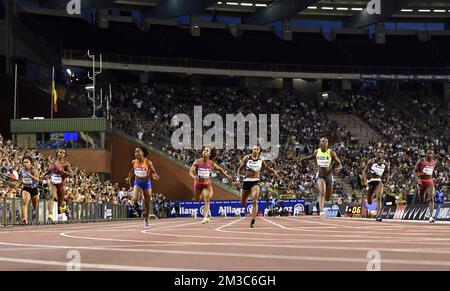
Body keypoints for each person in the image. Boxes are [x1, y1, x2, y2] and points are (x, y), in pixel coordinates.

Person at [236, 145, 280, 228]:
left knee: (255, 200)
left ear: (259, 151)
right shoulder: (247, 158)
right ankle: (243, 192)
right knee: (243, 203)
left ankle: (253, 220)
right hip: (246, 181)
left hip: (255, 181)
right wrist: (238, 179)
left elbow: (266, 168)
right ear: (252, 150)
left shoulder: (261, 159)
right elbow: (239, 169)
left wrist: (274, 172)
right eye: (254, 149)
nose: (255, 150)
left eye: (257, 149)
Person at [300, 137, 342, 219]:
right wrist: (305, 159)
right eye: (323, 141)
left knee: (327, 197)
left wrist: (338, 168)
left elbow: (339, 163)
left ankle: (319, 202)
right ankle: (322, 211)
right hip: (320, 175)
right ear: (320, 143)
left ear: (328, 143)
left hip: (329, 176)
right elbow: (312, 156)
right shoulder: (317, 151)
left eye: (326, 141)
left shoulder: (331, 153)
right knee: (322, 192)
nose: (325, 142)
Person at [190, 146, 232, 224]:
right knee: (197, 200)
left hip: (206, 184)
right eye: (204, 150)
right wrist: (194, 177)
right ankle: (200, 197)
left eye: (207, 151)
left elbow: (220, 169)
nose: (204, 152)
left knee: (207, 199)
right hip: (198, 184)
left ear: (210, 154)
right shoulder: (197, 162)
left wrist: (227, 176)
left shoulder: (211, 163)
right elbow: (191, 172)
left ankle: (205, 217)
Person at [126, 147, 160, 229]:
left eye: (138, 152)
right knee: (136, 199)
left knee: (147, 204)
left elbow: (153, 171)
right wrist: (129, 177)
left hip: (146, 183)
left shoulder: (148, 162)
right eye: (135, 152)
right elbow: (132, 171)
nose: (136, 153)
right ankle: (134, 195)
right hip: (137, 182)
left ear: (143, 153)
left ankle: (146, 220)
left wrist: (154, 175)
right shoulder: (134, 162)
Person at [44, 149, 74, 222]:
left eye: (64, 153)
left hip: (61, 184)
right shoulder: (53, 162)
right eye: (60, 152)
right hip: (53, 183)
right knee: (52, 196)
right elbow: (49, 170)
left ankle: (62, 210)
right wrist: (43, 175)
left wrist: (62, 171)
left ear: (64, 155)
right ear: (57, 153)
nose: (62, 154)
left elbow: (72, 174)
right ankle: (50, 214)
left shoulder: (66, 164)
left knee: (60, 203)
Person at [362, 149, 390, 222]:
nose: (380, 153)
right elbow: (364, 172)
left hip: (378, 181)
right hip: (370, 181)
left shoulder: (385, 164)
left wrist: (386, 181)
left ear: (384, 154)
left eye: (382, 152)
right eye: (379, 152)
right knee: (369, 202)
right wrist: (365, 182)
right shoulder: (371, 161)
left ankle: (378, 215)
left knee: (379, 197)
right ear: (376, 153)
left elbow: (387, 173)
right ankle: (370, 207)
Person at [414, 149, 437, 223]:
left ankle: (431, 217)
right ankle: (419, 191)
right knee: (422, 201)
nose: (430, 154)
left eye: (432, 153)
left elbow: (432, 171)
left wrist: (434, 177)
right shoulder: (421, 160)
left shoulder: (434, 162)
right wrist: (418, 180)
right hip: (422, 182)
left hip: (429, 181)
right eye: (429, 153)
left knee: (432, 197)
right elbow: (415, 171)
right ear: (426, 154)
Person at [19, 156, 40, 225]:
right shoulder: (21, 171)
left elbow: (37, 180)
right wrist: (19, 184)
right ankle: (24, 218)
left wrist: (30, 175)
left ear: (30, 163)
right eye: (24, 162)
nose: (25, 163)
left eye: (27, 162)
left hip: (34, 188)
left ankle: (34, 215)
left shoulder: (34, 170)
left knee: (35, 205)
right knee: (25, 202)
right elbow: (21, 180)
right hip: (26, 188)